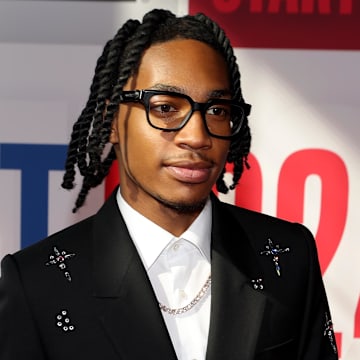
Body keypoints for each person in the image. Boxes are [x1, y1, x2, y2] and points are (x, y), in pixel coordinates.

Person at [0, 8, 338, 360]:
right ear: (112, 120)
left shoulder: (286, 257)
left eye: (217, 111)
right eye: (164, 108)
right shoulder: (37, 283)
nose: (197, 136)